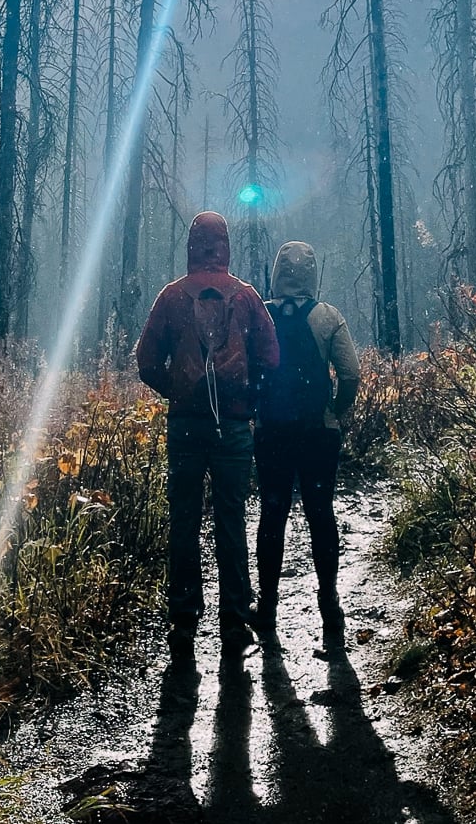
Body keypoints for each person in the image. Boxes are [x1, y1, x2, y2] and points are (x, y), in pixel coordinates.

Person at [136, 211, 279, 658]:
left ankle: (183, 621)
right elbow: (271, 360)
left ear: (192, 245)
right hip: (233, 429)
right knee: (231, 520)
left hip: (185, 427)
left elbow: (145, 362)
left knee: (184, 520)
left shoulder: (172, 297)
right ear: (226, 246)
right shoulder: (247, 297)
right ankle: (234, 623)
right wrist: (246, 400)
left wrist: (177, 392)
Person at [253, 240, 361, 642]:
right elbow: (350, 373)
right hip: (319, 433)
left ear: (278, 271)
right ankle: (330, 606)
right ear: (312, 273)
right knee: (320, 514)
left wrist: (256, 411)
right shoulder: (328, 316)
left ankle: (266, 609)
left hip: (271, 434)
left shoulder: (260, 316)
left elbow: (247, 371)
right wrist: (335, 410)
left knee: (272, 515)